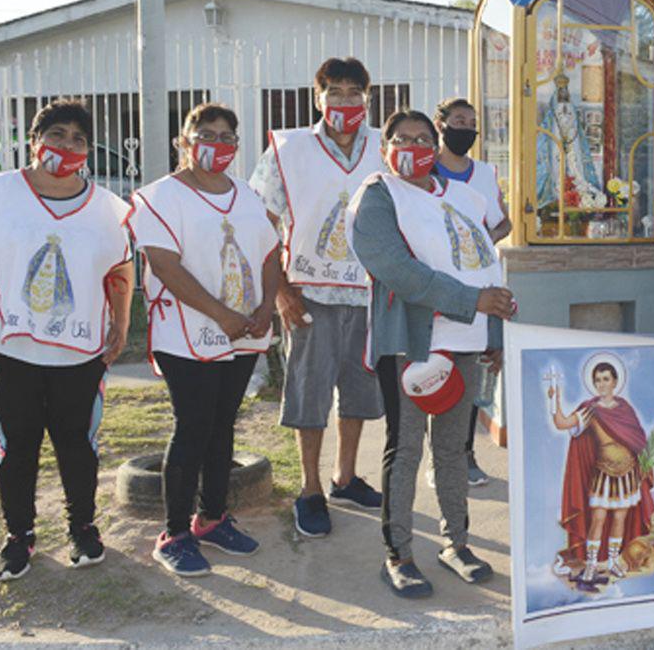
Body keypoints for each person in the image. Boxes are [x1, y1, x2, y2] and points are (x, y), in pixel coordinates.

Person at [0, 99, 134, 581]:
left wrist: (122, 324)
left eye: (79, 139)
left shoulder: (109, 208)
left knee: (78, 445)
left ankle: (82, 528)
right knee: (16, 447)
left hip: (80, 355)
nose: (67, 146)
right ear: (34, 141)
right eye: (57, 134)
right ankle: (19, 535)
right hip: (10, 353)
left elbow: (121, 271)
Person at [350, 109, 517, 598]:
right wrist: (472, 303)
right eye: (402, 139)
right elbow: (396, 269)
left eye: (423, 138)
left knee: (453, 449)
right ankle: (399, 554)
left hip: (464, 341)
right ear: (384, 149)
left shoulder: (464, 197)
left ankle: (455, 543)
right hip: (411, 341)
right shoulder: (379, 197)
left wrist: (495, 335)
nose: (414, 146)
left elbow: (486, 264)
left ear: (437, 142)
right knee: (405, 450)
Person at [130, 104, 281, 577]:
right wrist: (224, 315)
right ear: (184, 140)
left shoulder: (248, 195)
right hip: (187, 333)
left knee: (223, 426)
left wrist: (263, 308)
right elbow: (165, 267)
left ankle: (211, 518)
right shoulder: (157, 197)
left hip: (244, 331)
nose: (217, 142)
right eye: (205, 133)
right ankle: (173, 533)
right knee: (193, 426)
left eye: (227, 135)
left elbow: (270, 254)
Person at [248, 57, 387, 537]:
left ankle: (344, 478)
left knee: (359, 391)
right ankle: (310, 488)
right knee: (310, 394)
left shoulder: (384, 148)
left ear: (367, 99)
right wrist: (281, 291)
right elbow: (259, 224)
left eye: (354, 92)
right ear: (317, 97)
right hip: (309, 293)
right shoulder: (289, 150)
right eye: (335, 91)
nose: (344, 101)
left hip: (369, 294)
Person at [433, 97, 510, 488]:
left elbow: (504, 222)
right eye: (459, 120)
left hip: (480, 285)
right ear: (441, 124)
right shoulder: (425, 170)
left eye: (472, 122)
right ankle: (439, 461)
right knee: (438, 371)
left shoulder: (484, 173)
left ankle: (465, 455)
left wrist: (477, 241)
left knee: (472, 373)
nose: (466, 128)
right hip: (439, 288)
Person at [548, 354, 654, 585]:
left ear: (615, 381)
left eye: (606, 379)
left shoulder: (625, 408)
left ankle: (615, 560)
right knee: (598, 519)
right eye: (598, 380)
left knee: (619, 518)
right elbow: (562, 423)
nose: (601, 384)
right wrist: (554, 401)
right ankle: (591, 565)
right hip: (603, 474)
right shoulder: (590, 410)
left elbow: (637, 438)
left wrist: (643, 465)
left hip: (628, 473)